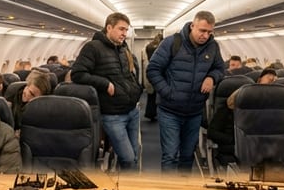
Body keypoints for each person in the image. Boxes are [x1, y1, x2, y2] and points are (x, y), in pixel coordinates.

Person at [146, 10, 226, 173]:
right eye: (202, 31)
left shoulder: (213, 47)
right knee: (170, 156)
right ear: (192, 26)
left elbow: (219, 69)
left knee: (188, 156)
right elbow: (153, 69)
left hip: (194, 112)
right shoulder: (172, 43)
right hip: (170, 111)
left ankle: (184, 186)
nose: (206, 36)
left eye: (210, 32)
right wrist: (167, 92)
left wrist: (211, 77)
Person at [70, 12, 144, 171]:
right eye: (121, 29)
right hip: (113, 115)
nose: (124, 33)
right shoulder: (93, 47)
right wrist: (104, 84)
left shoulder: (123, 47)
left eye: (126, 30)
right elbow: (77, 74)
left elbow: (129, 74)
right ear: (109, 28)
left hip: (132, 110)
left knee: (135, 155)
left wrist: (136, 89)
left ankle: (129, 183)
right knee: (128, 159)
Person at [144, 32, 163, 121]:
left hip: (150, 68)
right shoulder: (160, 47)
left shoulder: (148, 46)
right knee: (159, 94)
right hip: (158, 71)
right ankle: (157, 113)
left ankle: (150, 113)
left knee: (151, 95)